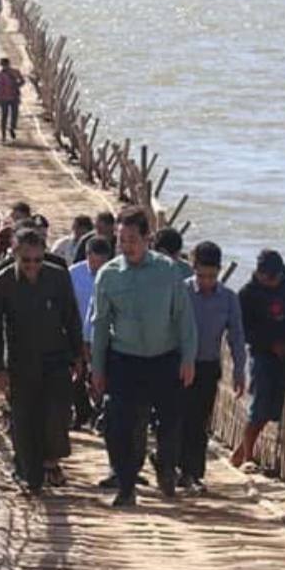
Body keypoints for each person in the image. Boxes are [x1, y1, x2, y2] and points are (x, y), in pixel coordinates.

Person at [91, 206, 197, 507]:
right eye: (122, 240)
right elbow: (100, 325)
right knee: (120, 424)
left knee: (171, 422)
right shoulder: (108, 276)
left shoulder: (169, 271)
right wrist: (98, 368)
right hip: (125, 359)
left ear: (147, 238)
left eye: (133, 240)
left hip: (164, 358)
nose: (127, 247)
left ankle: (165, 465)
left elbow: (183, 318)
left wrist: (188, 357)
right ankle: (126, 485)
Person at [0, 228, 84, 496]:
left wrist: (78, 355)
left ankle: (50, 460)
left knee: (57, 413)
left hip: (56, 357)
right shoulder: (2, 282)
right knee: (24, 418)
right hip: (20, 360)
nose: (32, 266)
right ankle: (30, 476)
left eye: (37, 260)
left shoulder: (58, 277)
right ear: (15, 255)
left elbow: (72, 317)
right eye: (26, 260)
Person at [231, 249, 285, 469]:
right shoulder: (247, 294)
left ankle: (240, 453)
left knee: (275, 408)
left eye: (278, 277)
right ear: (260, 274)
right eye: (271, 278)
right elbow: (241, 330)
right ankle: (247, 458)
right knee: (259, 406)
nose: (275, 282)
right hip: (262, 355)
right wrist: (270, 344)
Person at [178, 241, 246, 495]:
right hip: (179, 365)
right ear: (193, 269)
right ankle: (174, 465)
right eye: (201, 275)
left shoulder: (228, 299)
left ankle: (194, 473)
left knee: (199, 421)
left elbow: (237, 337)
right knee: (178, 418)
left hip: (207, 367)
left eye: (211, 276)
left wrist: (240, 371)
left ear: (218, 271)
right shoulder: (181, 292)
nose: (206, 281)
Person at [68, 236, 113, 430]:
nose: (97, 269)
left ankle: (101, 415)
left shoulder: (114, 276)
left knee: (102, 378)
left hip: (103, 336)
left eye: (101, 264)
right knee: (77, 377)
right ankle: (82, 413)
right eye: (94, 263)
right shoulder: (73, 274)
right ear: (87, 256)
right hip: (77, 332)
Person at [0, 201, 32, 277]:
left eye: (19, 218)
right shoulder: (5, 233)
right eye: (13, 218)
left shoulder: (33, 235)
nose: (15, 222)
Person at [0, 57, 25, 143]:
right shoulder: (0, 74)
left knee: (14, 115)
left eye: (5, 65)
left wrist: (16, 86)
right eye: (3, 65)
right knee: (4, 116)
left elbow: (22, 81)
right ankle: (3, 134)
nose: (4, 66)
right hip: (4, 98)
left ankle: (12, 128)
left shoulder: (14, 72)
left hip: (13, 96)